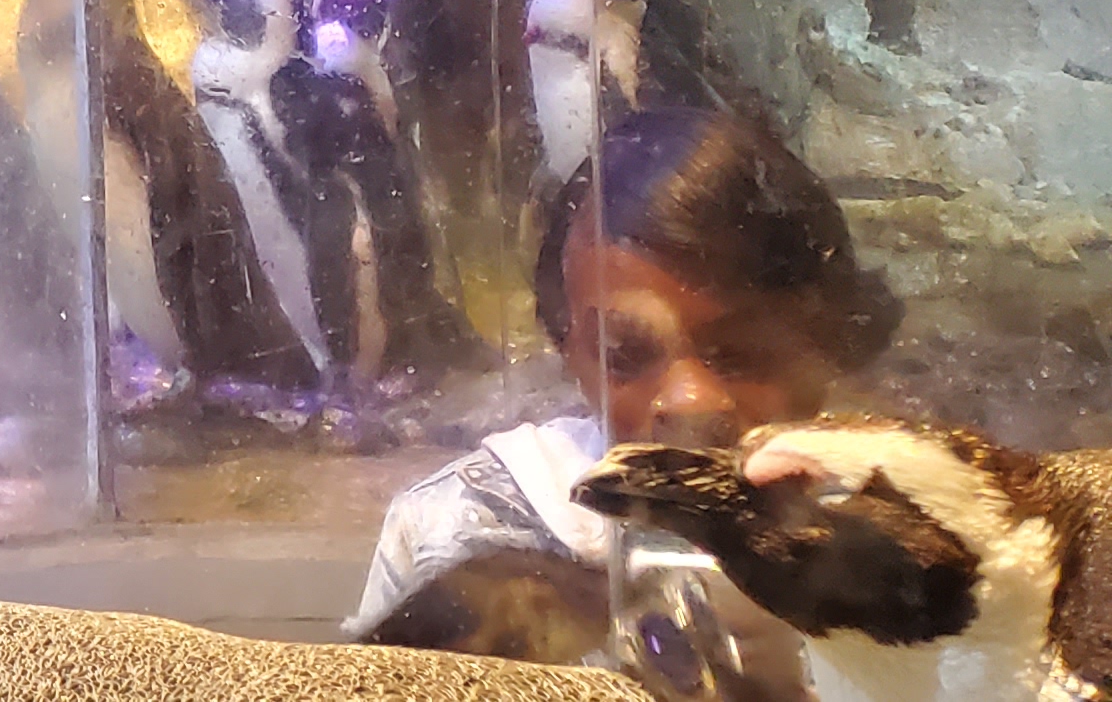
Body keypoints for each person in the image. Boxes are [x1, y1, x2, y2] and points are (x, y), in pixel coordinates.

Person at [348, 105, 902, 674]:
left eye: (743, 352)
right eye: (624, 355)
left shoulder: (906, 534)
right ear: (567, 347)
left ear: (829, 339)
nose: (690, 401)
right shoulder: (454, 525)